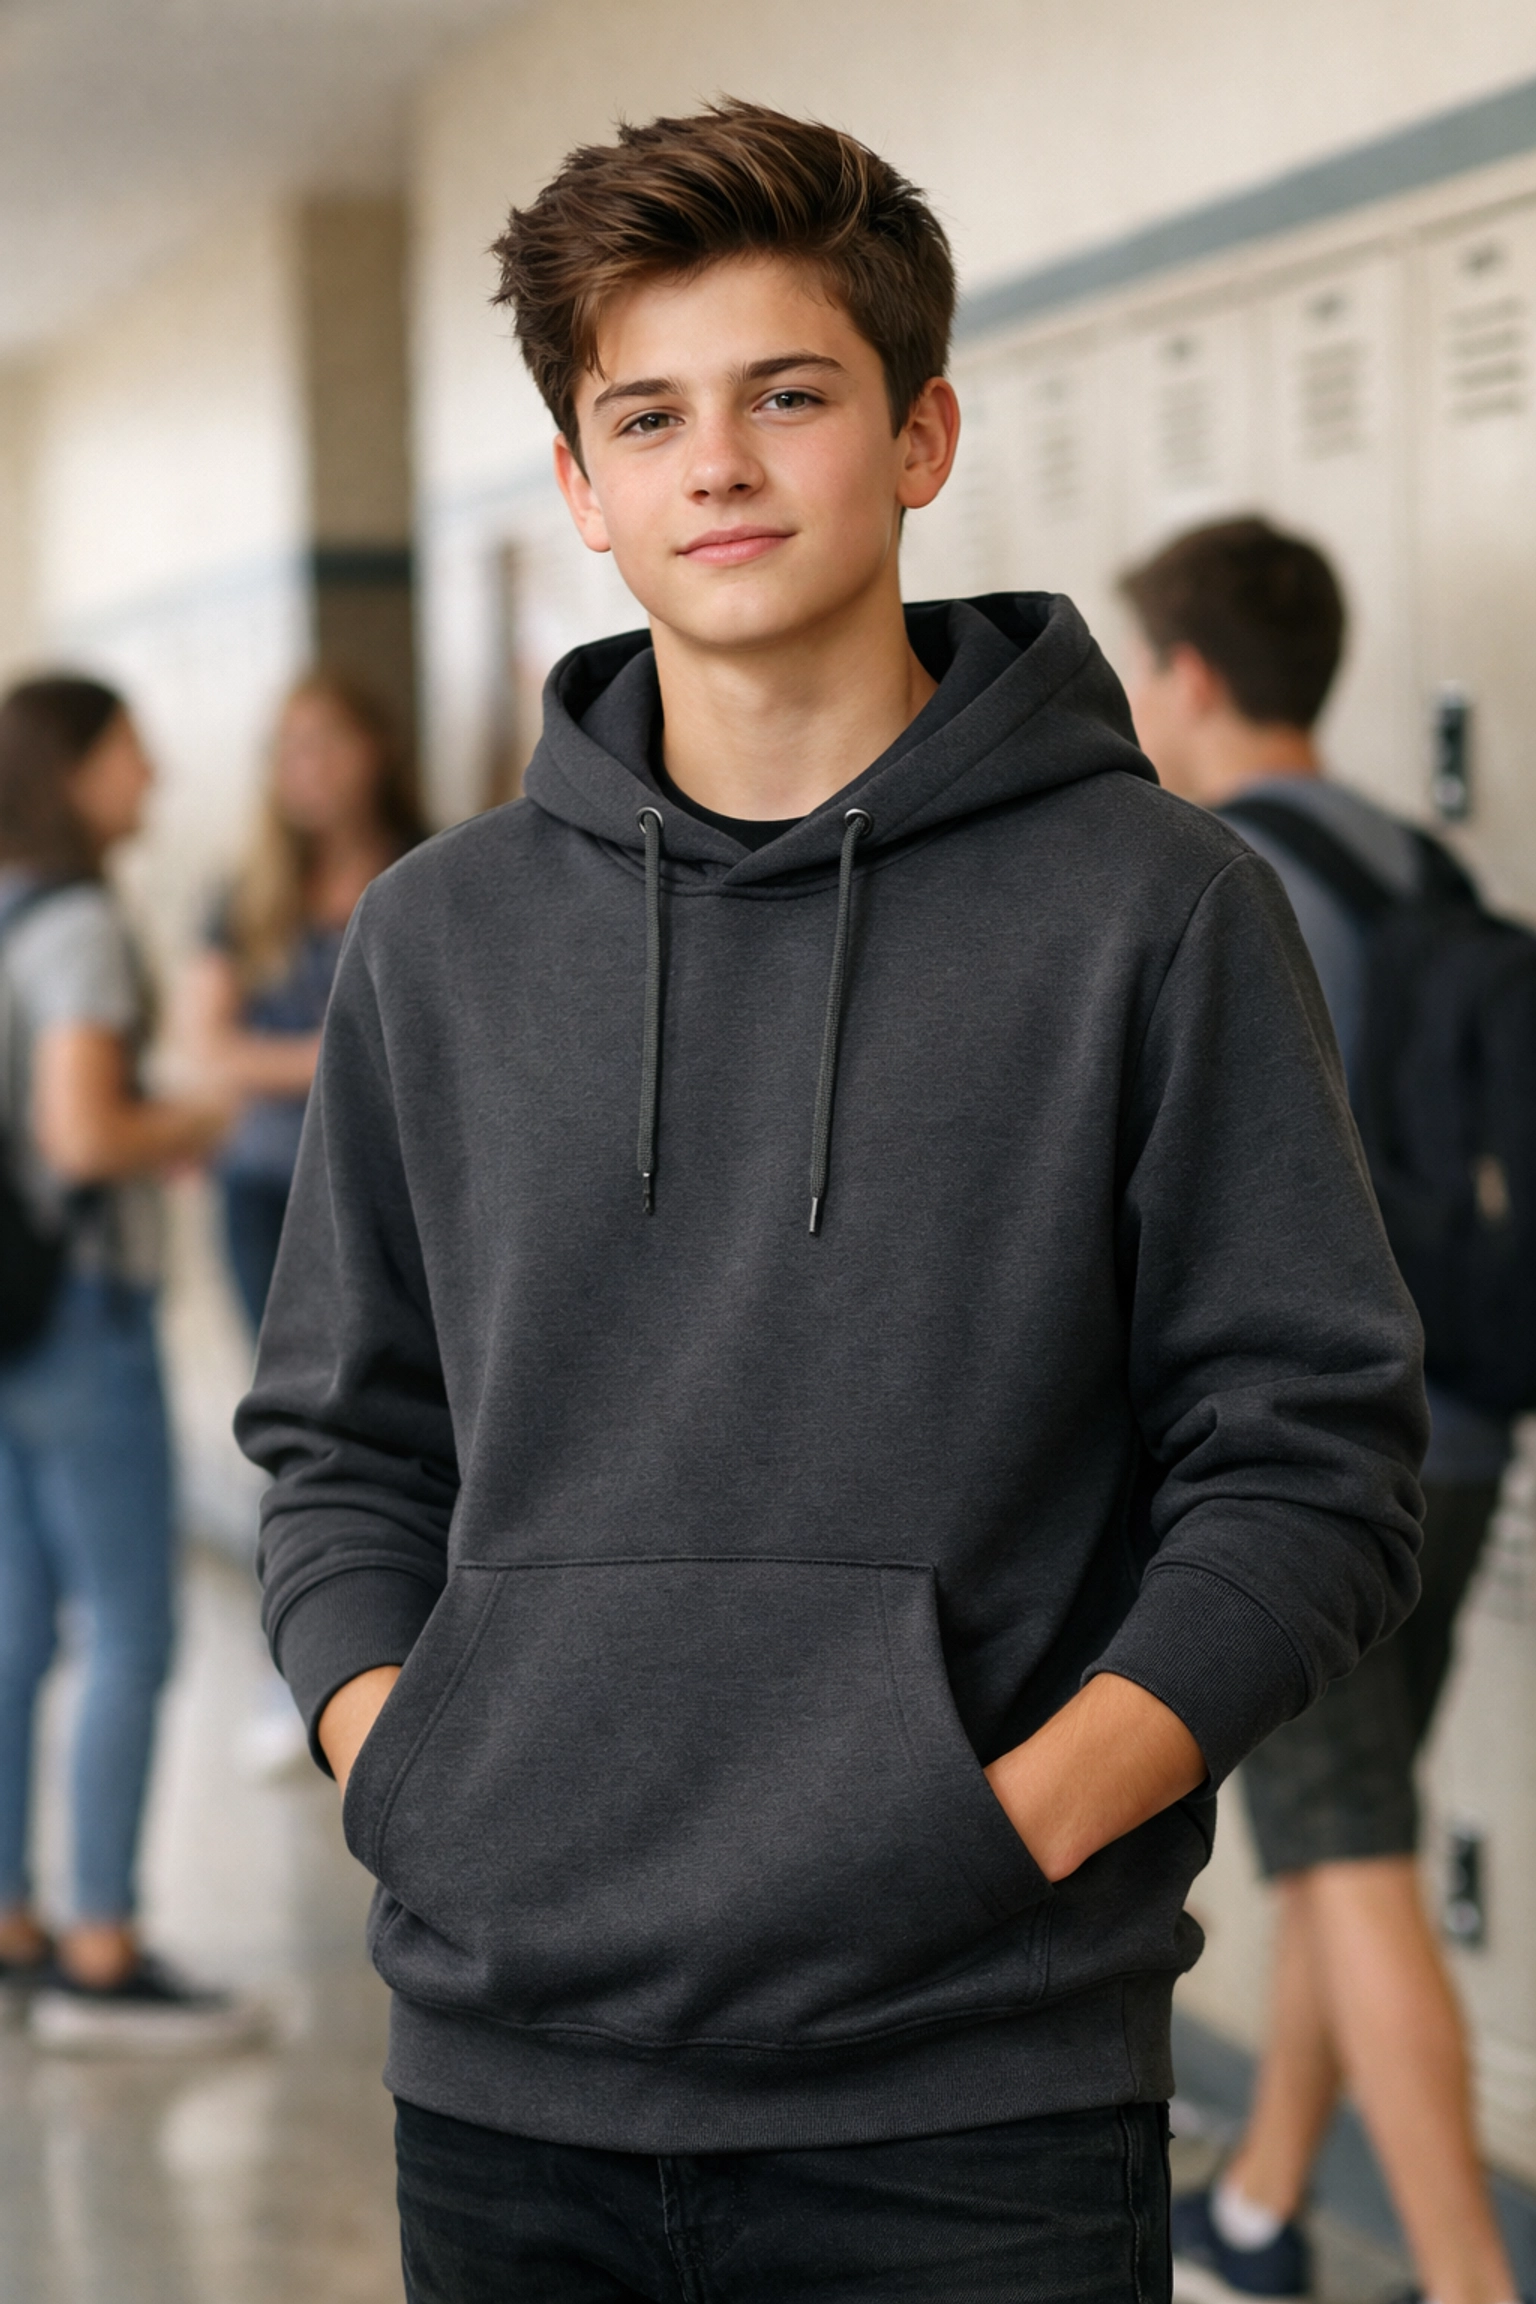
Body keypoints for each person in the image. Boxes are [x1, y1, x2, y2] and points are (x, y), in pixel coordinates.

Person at [241, 106, 1425, 2299]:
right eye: (648, 417)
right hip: (507, 2090)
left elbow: (1310, 1462)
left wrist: (1000, 1831)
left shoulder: (1155, 908)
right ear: (581, 487)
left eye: (787, 394)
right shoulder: (438, 937)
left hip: (970, 2107)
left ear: (918, 435)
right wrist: (413, 1772)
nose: (718, 465)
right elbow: (343, 1444)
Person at [1121, 515, 1521, 2304]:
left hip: (1303, 1474)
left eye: (1147, 667)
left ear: (1192, 675)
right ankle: (1265, 2208)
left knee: (1348, 1856)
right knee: (1337, 1834)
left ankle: (1466, 2277)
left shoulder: (1215, 875)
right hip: (1464, 1432)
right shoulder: (1409, 858)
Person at [0, 674, 259, 2051]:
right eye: (130, 753)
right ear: (73, 770)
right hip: (78, 1315)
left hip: (4, 1323)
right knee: (132, 1629)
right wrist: (195, 1118)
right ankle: (100, 1949)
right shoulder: (79, 926)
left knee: (12, 1630)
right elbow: (82, 1133)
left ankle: (11, 1926)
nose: (152, 776)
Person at [180, 670, 427, 1336]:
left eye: (325, 742)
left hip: (401, 1183)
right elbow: (208, 1047)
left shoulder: (433, 870)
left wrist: (281, 1061)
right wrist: (346, 1055)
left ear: (378, 747)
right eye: (287, 748)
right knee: (283, 1376)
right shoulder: (247, 892)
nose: (307, 766)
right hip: (269, 1188)